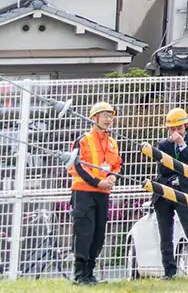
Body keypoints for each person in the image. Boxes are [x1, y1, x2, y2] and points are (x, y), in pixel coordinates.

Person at [67, 101, 121, 284]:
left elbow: (116, 165)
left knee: (98, 233)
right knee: (84, 232)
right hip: (83, 192)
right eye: (105, 115)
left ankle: (90, 274)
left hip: (103, 193)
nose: (109, 119)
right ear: (94, 118)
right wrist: (99, 182)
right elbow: (78, 166)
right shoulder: (82, 140)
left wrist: (113, 177)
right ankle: (80, 275)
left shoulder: (113, 142)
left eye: (111, 116)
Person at [152, 108, 188, 278]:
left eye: (179, 128)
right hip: (165, 190)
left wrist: (182, 145)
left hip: (186, 191)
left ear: (186, 126)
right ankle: (169, 271)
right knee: (165, 233)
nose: (175, 132)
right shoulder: (163, 145)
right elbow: (162, 168)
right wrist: (172, 147)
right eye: (172, 129)